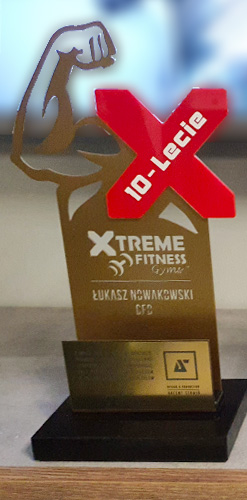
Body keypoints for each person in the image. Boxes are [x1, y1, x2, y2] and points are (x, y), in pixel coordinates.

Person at [11, 22, 222, 390]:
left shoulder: (178, 206)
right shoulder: (88, 124)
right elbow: (34, 152)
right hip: (99, 246)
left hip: (172, 243)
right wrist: (59, 59)